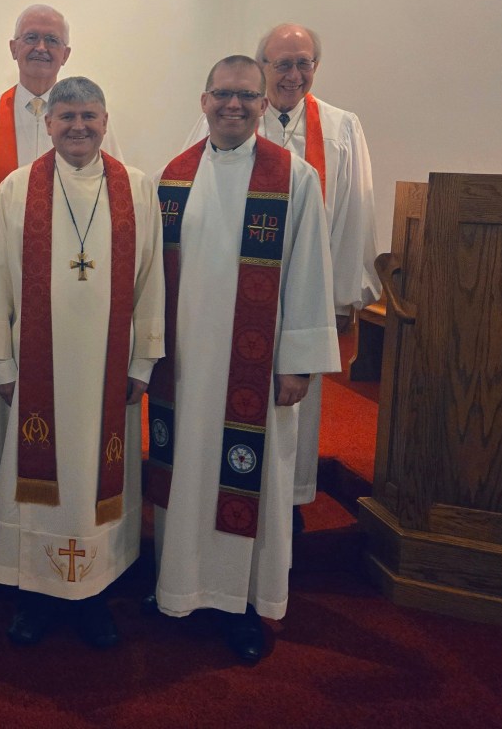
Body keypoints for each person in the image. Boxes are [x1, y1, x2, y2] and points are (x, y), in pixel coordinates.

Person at [149, 55, 339, 663]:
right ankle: (180, 589)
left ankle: (245, 604)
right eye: (223, 95)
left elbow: (310, 271)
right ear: (204, 101)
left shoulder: (293, 177)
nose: (233, 106)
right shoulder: (173, 177)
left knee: (253, 479)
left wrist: (296, 361)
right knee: (185, 472)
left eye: (246, 97)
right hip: (185, 366)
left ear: (263, 105)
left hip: (255, 369)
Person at [0, 76, 164, 648]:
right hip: (39, 373)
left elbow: (151, 280)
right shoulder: (17, 188)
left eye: (89, 116)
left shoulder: (137, 188)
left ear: (105, 122)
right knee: (39, 486)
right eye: (67, 117)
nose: (78, 126)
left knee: (95, 485)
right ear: (49, 124)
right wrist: (2, 365)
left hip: (109, 372)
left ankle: (95, 596)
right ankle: (34, 596)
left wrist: (143, 362)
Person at [181, 24, 379, 529]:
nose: (293, 75)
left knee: (289, 412)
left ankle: (284, 504)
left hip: (300, 298)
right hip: (222, 304)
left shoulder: (340, 127)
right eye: (281, 64)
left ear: (316, 67)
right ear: (262, 67)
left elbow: (353, 214)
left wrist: (339, 299)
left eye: (303, 63)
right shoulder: (223, 119)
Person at [0, 4, 124, 499]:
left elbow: (116, 206)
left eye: (52, 39)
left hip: (77, 289)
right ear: (13, 48)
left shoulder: (87, 116)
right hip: (7, 290)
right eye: (31, 37)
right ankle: (3, 500)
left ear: (66, 52)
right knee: (7, 410)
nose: (41, 47)